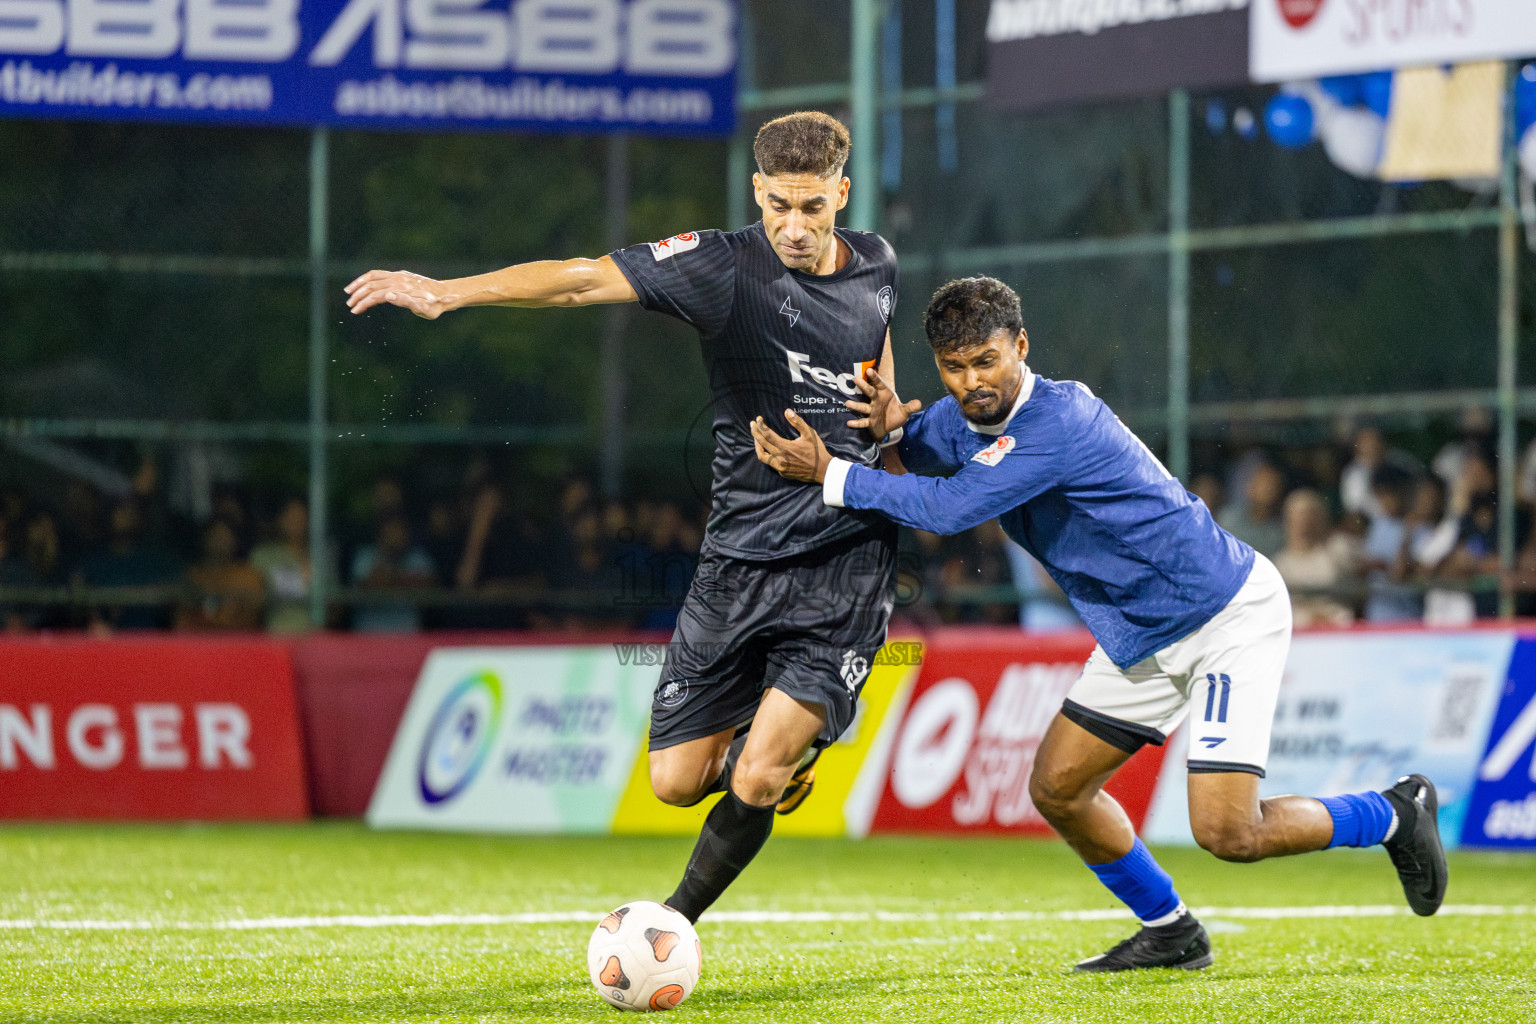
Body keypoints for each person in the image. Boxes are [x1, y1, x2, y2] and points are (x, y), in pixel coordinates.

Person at [752, 276, 1447, 971]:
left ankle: (1394, 814)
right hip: (1138, 637)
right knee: (1057, 787)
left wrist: (829, 473)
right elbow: (917, 447)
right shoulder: (962, 418)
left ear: (1020, 347)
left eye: (987, 361)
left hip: (1224, 615)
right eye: (955, 368)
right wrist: (891, 424)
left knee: (1228, 830)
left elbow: (946, 508)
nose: (972, 382)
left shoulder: (1060, 420)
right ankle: (1171, 930)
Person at [344, 112, 901, 925]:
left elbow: (876, 368)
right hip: (737, 561)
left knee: (750, 780)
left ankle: (669, 926)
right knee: (675, 782)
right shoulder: (721, 267)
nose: (793, 225)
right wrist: (448, 293)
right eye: (779, 204)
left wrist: (884, 417)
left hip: (842, 565)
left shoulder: (879, 263)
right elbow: (579, 278)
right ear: (757, 192)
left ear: (840, 196)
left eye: (812, 208)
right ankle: (781, 756)